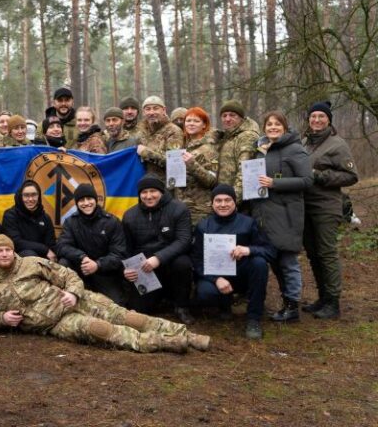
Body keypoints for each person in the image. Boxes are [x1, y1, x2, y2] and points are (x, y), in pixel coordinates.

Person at [0, 235, 210, 354]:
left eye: (8, 249)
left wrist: (74, 294)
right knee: (103, 331)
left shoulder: (32, 263)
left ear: (13, 251)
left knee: (129, 318)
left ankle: (188, 335)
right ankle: (169, 343)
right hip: (57, 322)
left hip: (78, 299)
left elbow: (69, 276)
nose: (4, 254)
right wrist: (1, 318)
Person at [191, 184, 276, 340]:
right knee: (204, 294)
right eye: (218, 201)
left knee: (259, 264)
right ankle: (224, 305)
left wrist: (248, 250)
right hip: (216, 276)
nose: (223, 204)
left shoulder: (249, 223)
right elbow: (196, 260)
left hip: (242, 273)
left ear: (235, 202)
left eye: (227, 200)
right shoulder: (203, 226)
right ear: (212, 203)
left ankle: (253, 319)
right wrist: (215, 279)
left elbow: (270, 251)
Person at [251, 111, 312, 323]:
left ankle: (293, 306)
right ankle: (286, 302)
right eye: (269, 124)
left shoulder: (295, 149)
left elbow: (307, 180)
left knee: (288, 261)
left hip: (287, 213)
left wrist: (275, 183)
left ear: (285, 127)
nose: (273, 127)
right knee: (275, 261)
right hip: (264, 212)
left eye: (277, 124)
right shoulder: (261, 149)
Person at [301, 101, 358, 319]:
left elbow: (352, 176)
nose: (316, 120)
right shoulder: (305, 143)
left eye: (321, 117)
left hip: (326, 205)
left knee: (327, 253)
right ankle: (323, 297)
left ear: (328, 120)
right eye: (313, 116)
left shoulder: (337, 144)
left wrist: (321, 176)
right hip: (305, 206)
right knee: (313, 253)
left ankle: (333, 303)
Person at [122, 175, 194, 324]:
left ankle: (181, 306)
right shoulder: (129, 215)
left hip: (171, 261)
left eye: (153, 191)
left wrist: (158, 258)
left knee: (183, 263)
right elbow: (126, 248)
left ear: (161, 191)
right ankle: (159, 298)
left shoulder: (179, 209)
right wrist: (126, 268)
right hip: (145, 268)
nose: (148, 196)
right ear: (139, 194)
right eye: (144, 192)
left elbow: (184, 240)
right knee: (139, 309)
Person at [56, 184, 126, 304]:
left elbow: (119, 254)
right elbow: (62, 246)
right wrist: (82, 257)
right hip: (79, 271)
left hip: (104, 272)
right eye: (82, 200)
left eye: (89, 199)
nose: (86, 203)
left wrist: (97, 265)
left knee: (116, 304)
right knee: (63, 262)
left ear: (96, 200)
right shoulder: (70, 222)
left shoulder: (112, 222)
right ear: (77, 203)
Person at [179, 107, 219, 225]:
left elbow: (212, 180)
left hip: (200, 210)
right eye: (188, 121)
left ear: (204, 125)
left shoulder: (211, 149)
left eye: (196, 121)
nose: (191, 124)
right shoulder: (183, 146)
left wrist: (192, 164)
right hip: (182, 207)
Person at [215, 99, 260, 202]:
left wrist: (233, 201)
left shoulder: (247, 136)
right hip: (225, 200)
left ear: (241, 118)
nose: (227, 119)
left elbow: (245, 172)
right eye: (224, 115)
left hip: (239, 203)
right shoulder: (227, 137)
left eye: (232, 115)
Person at [2, 180, 57, 261]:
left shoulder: (45, 218)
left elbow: (51, 243)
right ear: (20, 197)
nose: (30, 199)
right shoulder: (10, 215)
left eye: (34, 195)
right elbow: (16, 242)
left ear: (39, 196)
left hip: (43, 257)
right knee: (30, 255)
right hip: (18, 257)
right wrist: (45, 249)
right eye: (26, 195)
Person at [136, 95, 184, 180]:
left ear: (163, 110)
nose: (151, 112)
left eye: (155, 108)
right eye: (148, 109)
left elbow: (174, 162)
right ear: (143, 112)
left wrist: (146, 153)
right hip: (145, 184)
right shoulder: (140, 132)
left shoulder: (173, 131)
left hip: (165, 186)